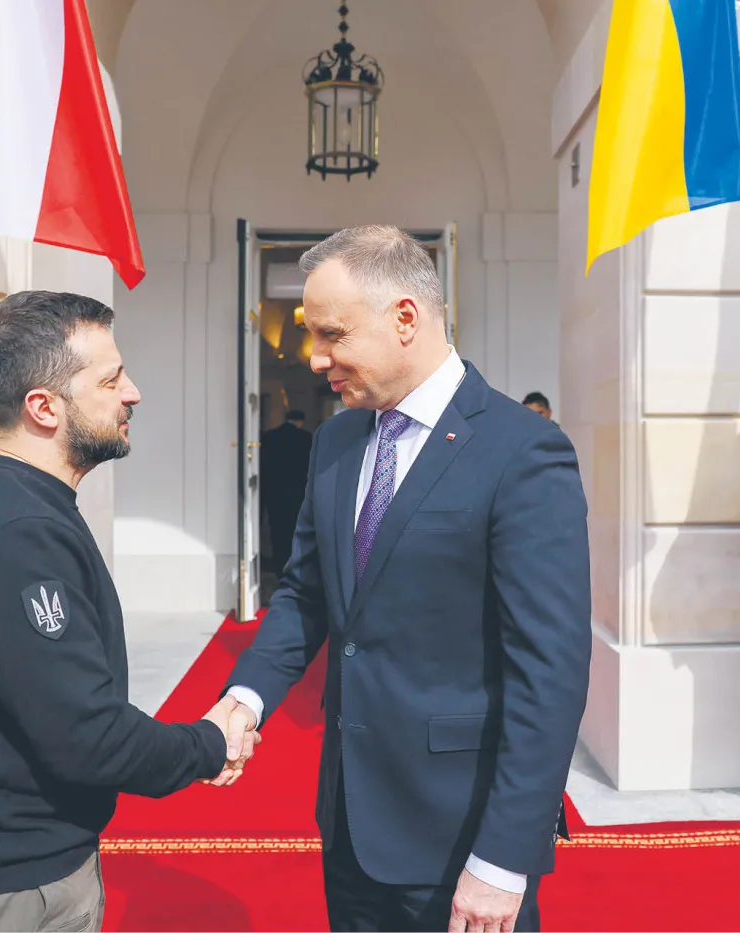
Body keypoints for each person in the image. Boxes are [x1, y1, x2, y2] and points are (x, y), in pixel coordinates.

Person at [211, 226, 591, 932]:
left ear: (406, 318)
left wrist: (505, 858)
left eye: (332, 334)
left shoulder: (524, 452)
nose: (316, 357)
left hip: (462, 838)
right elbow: (304, 593)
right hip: (351, 821)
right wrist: (246, 696)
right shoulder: (335, 440)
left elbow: (551, 671)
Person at [0, 291, 240, 933]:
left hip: (15, 870)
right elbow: (89, 738)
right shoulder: (18, 532)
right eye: (110, 379)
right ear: (44, 407)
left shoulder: (13, 499)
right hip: (3, 889)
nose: (132, 391)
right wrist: (208, 743)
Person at [261, 409, 313, 570]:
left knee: (277, 527)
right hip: (297, 491)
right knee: (295, 527)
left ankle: (279, 563)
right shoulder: (306, 438)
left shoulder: (270, 437)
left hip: (274, 490)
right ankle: (294, 563)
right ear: (300, 422)